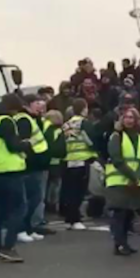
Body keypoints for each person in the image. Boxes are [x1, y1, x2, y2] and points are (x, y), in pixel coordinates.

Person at [0, 93, 32, 263]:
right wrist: (26, 144)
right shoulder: (6, 122)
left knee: (0, 212)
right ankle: (8, 246)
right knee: (20, 208)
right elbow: (13, 146)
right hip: (9, 170)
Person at [105, 107, 140, 256]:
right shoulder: (116, 136)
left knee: (129, 214)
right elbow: (117, 159)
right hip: (119, 180)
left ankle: (124, 243)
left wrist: (138, 176)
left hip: (134, 182)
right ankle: (119, 244)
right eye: (126, 117)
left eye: (132, 117)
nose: (129, 120)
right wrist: (133, 176)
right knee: (120, 214)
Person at [14, 95, 51, 243]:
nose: (41, 106)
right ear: (28, 105)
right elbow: (25, 143)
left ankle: (29, 228)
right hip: (30, 166)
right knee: (28, 199)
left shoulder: (34, 119)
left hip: (37, 165)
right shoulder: (24, 119)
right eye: (37, 103)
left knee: (35, 198)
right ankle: (21, 229)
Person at [61, 98, 99, 230]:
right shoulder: (84, 123)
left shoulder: (66, 124)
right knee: (79, 191)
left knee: (70, 190)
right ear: (84, 109)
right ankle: (75, 219)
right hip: (82, 160)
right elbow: (91, 141)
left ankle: (69, 218)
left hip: (68, 160)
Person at [44, 110, 67, 215]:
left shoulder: (45, 130)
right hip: (56, 162)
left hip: (45, 161)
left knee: (47, 184)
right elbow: (60, 148)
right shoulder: (58, 131)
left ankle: (46, 204)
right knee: (55, 184)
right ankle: (52, 204)